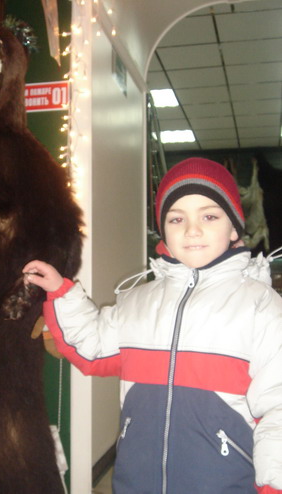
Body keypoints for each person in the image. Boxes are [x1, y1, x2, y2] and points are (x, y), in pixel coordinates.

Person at [23, 157, 282, 494]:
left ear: (233, 227)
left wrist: (273, 485)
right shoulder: (137, 301)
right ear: (164, 230)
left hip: (222, 482)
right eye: (177, 218)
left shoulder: (262, 307)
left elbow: (278, 406)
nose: (192, 229)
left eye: (209, 216)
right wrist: (61, 291)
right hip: (136, 481)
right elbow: (92, 346)